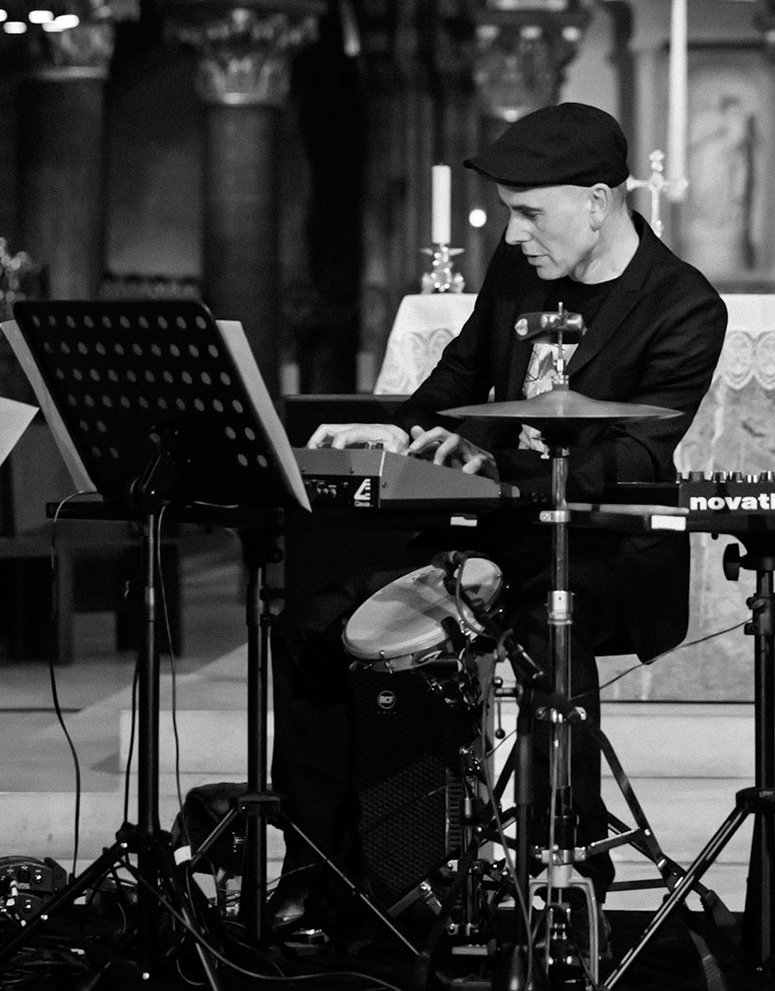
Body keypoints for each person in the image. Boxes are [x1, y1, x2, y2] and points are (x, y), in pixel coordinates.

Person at [271, 102, 728, 932]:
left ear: (597, 202)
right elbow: (459, 377)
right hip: (484, 531)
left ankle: (569, 855)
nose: (513, 234)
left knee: (555, 634)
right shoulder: (522, 269)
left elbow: (630, 459)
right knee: (311, 621)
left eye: (528, 212)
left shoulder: (683, 305)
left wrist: (499, 470)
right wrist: (403, 430)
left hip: (593, 544)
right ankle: (321, 862)